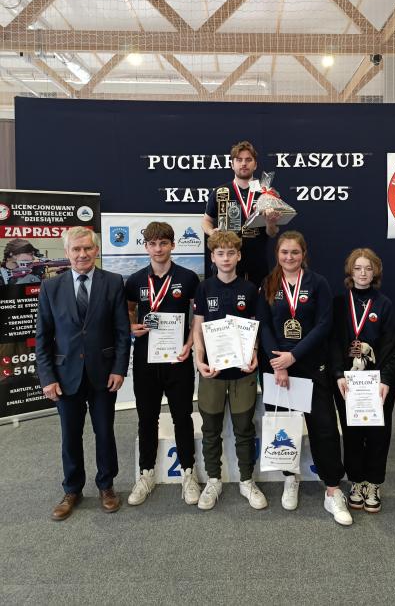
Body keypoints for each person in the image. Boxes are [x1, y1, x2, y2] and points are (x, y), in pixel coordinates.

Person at [257, 230, 352, 526]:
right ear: (277, 254)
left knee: (324, 428)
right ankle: (290, 478)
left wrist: (294, 356)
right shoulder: (268, 283)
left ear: (303, 254)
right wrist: (279, 364)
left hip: (311, 365)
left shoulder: (318, 283)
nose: (289, 257)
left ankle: (332, 489)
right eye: (284, 252)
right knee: (284, 427)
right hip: (278, 370)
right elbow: (264, 326)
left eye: (295, 252)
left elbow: (324, 325)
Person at [35, 227, 130, 520]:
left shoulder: (113, 282)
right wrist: (47, 377)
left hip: (103, 374)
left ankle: (106, 486)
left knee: (105, 433)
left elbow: (122, 332)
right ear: (67, 253)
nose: (82, 254)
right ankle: (72, 490)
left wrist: (119, 369)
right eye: (76, 249)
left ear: (96, 250)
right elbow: (43, 338)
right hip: (65, 376)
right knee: (70, 436)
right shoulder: (51, 287)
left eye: (87, 248)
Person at [125, 221, 201, 507]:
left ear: (173, 245)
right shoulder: (135, 280)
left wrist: (190, 343)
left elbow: (198, 316)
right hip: (145, 361)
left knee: (183, 416)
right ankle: (146, 473)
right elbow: (128, 310)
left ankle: (188, 473)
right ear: (146, 247)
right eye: (153, 244)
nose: (158, 249)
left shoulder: (188, 277)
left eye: (163, 243)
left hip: (178, 359)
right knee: (147, 418)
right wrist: (130, 326)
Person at [192, 230, 267, 511]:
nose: (226, 258)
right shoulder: (204, 288)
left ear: (239, 256)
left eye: (231, 253)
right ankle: (213, 480)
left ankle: (247, 481)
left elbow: (255, 328)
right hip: (212, 372)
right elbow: (197, 328)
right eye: (220, 253)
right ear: (212, 257)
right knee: (210, 429)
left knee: (244, 429)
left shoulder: (250, 289)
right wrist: (199, 360)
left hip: (242, 371)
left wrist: (255, 353)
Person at [330, 248, 395, 514]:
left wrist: (386, 379)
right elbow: (331, 342)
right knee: (351, 433)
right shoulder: (339, 303)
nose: (363, 273)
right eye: (358, 268)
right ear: (350, 271)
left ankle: (374, 483)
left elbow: (393, 346)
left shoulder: (384, 304)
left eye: (368, 268)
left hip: (377, 382)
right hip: (347, 382)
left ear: (375, 272)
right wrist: (338, 373)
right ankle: (356, 481)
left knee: (377, 434)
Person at [203, 140, 279, 286]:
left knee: (258, 299)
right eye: (239, 160)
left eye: (248, 160)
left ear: (255, 165)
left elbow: (272, 233)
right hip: (227, 261)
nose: (244, 164)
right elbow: (206, 221)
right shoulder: (220, 192)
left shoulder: (266, 193)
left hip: (257, 261)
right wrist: (211, 232)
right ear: (232, 164)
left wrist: (270, 223)